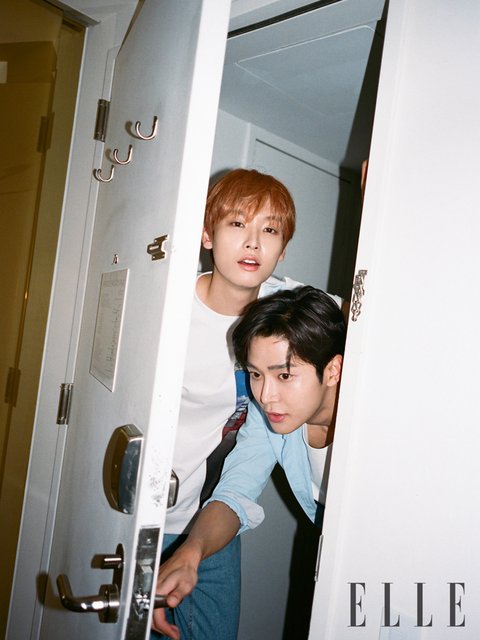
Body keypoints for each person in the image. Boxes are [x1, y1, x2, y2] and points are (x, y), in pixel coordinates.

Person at [151, 168, 300, 640]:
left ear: (282, 248)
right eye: (237, 223)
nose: (253, 242)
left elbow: (359, 313)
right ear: (207, 235)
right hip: (145, 516)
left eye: (269, 230)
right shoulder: (168, 307)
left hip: (215, 517)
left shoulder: (286, 309)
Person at [152, 286, 346, 639]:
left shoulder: (370, 430)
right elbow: (235, 491)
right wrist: (190, 553)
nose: (266, 396)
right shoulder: (269, 417)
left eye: (284, 375)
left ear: (333, 370)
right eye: (256, 374)